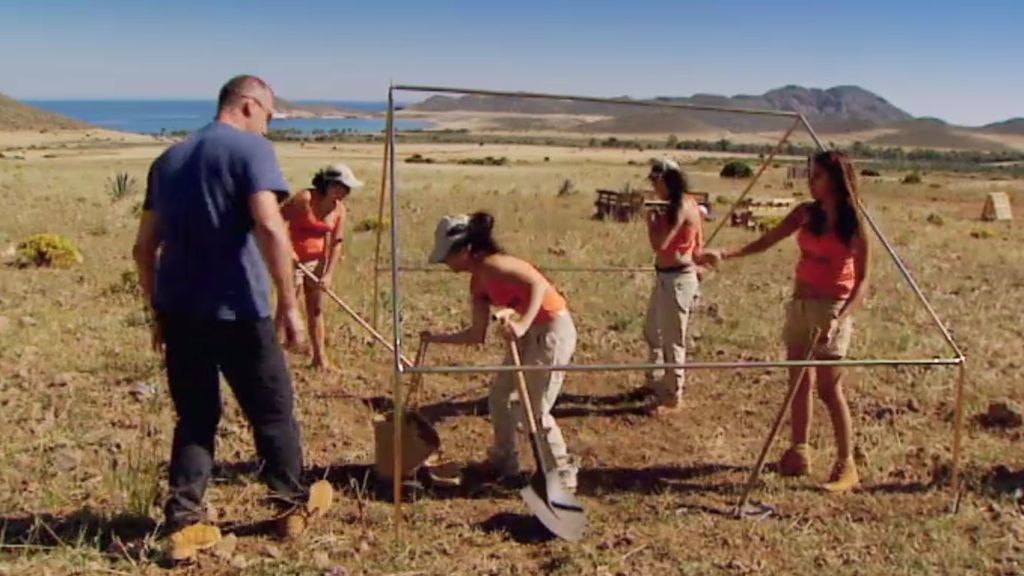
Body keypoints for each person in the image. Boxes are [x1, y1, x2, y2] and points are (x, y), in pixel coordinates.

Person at [133, 75, 332, 562]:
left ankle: (184, 522)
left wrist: (158, 311)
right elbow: (268, 224)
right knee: (272, 410)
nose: (267, 125)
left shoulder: (168, 160)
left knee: (196, 417)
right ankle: (289, 506)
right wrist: (289, 304)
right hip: (240, 310)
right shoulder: (250, 150)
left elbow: (143, 249)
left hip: (180, 310)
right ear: (248, 106)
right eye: (267, 115)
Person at [711, 150, 870, 492]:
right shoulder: (805, 213)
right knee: (799, 382)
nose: (811, 182)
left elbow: (862, 283)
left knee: (829, 389)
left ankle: (847, 465)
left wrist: (840, 320)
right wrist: (725, 254)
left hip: (831, 309)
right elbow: (767, 241)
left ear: (836, 179)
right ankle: (799, 452)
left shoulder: (852, 222)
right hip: (799, 305)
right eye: (810, 175)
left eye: (817, 176)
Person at [421, 212, 579, 492]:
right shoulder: (477, 283)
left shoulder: (497, 265)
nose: (445, 263)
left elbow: (539, 285)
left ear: (466, 249)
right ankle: (505, 461)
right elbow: (476, 335)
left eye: (448, 256)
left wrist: (522, 324)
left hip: (553, 330)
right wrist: (435, 338)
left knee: (535, 409)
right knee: (500, 398)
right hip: (528, 333)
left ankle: (562, 478)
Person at [643, 158, 714, 414]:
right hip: (666, 275)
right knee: (652, 330)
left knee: (673, 339)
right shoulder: (678, 205)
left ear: (666, 180)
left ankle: (673, 395)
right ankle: (657, 381)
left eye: (655, 181)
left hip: (677, 278)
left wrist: (651, 224)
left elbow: (660, 245)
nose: (653, 186)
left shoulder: (682, 206)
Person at [279, 163, 362, 371]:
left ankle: (319, 359)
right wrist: (288, 250)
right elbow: (278, 221)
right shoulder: (305, 199)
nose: (346, 192)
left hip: (318, 263)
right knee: (288, 304)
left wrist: (328, 274)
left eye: (348, 188)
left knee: (316, 308)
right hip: (292, 260)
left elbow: (337, 243)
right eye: (343, 187)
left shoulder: (339, 209)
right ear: (331, 184)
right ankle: (275, 353)